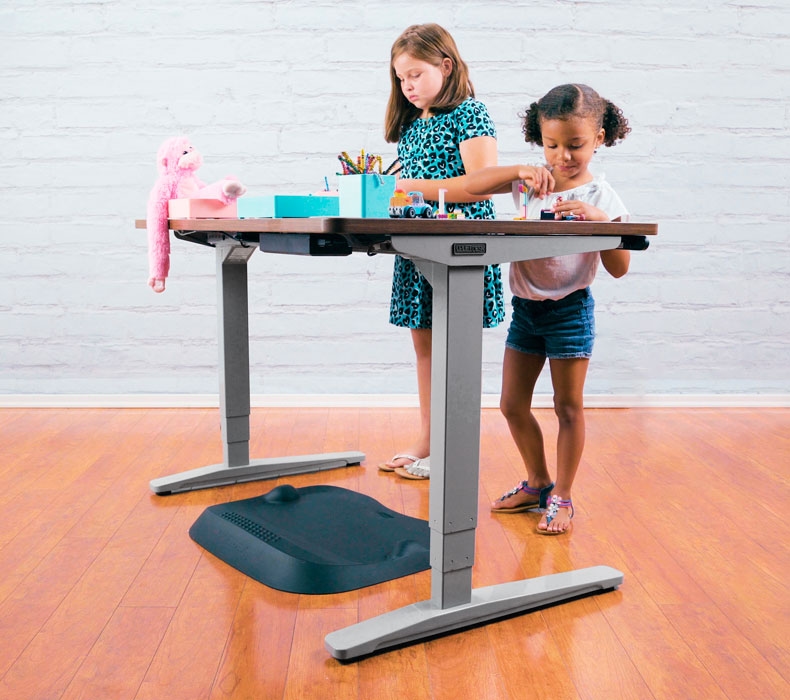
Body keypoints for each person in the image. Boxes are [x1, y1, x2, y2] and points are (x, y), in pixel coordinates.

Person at [465, 83, 632, 533]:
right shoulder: (530, 185)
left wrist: (601, 224)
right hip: (526, 310)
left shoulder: (602, 196)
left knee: (568, 407)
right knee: (511, 404)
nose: (563, 156)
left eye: (575, 145)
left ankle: (564, 497)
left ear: (599, 138)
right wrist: (519, 174)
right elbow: (481, 196)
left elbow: (620, 268)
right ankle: (538, 481)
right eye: (552, 144)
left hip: (570, 312)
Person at [377, 23, 505, 480]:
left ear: (445, 66)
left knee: (456, 347)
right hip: (418, 247)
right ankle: (429, 439)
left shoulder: (471, 113)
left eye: (415, 74)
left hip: (459, 245)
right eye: (400, 78)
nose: (407, 86)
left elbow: (480, 185)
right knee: (425, 347)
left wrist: (407, 187)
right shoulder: (412, 126)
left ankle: (452, 447)